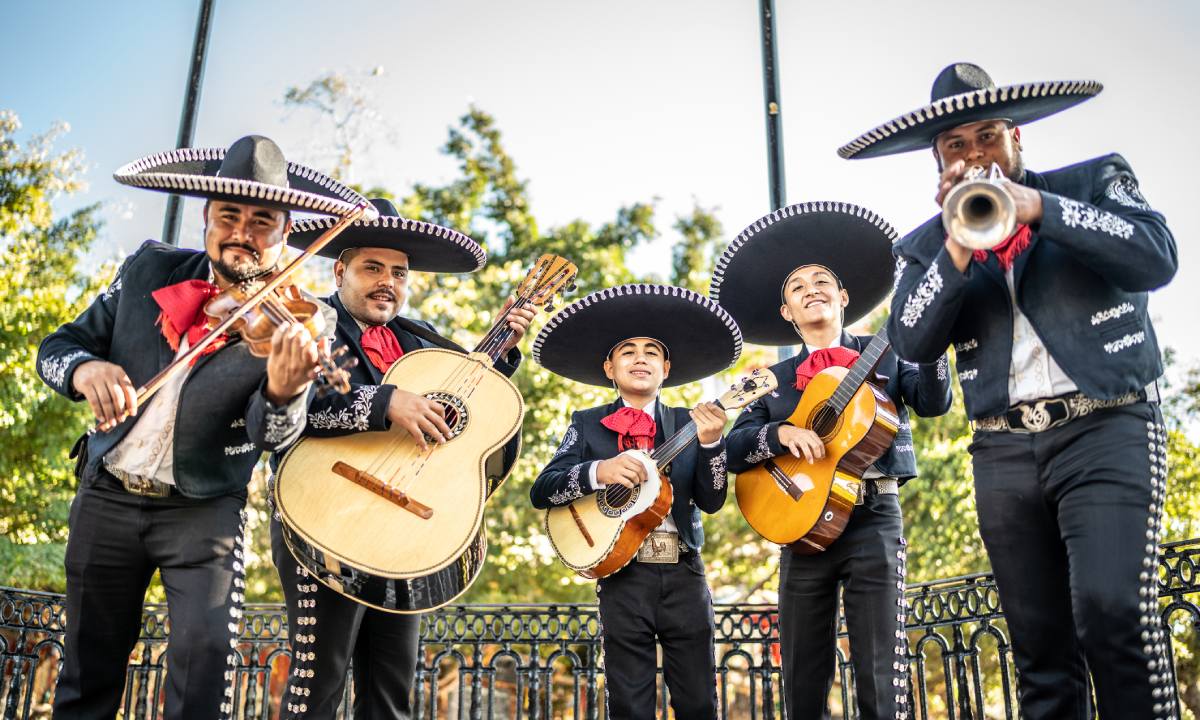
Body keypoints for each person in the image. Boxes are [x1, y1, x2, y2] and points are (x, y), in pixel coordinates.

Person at [840, 62, 1178, 719]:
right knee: (1039, 651)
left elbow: (1154, 258)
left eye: (988, 136)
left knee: (1113, 610)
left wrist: (1039, 210)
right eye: (956, 147)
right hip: (1002, 454)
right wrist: (955, 246)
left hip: (1106, 426)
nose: (976, 156)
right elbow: (911, 342)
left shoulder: (1094, 181)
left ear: (1016, 139)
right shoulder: (923, 247)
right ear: (938, 165)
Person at [37, 135, 364, 719]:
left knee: (206, 658)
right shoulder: (147, 269)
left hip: (205, 508)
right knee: (87, 667)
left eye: (261, 221)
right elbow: (57, 347)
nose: (242, 231)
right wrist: (87, 368)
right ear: (206, 219)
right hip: (106, 494)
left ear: (285, 233)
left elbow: (274, 435)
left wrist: (284, 390)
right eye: (229, 215)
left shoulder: (307, 320)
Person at [268, 197, 534, 719]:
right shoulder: (308, 323)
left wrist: (500, 353)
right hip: (321, 515)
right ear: (340, 269)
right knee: (317, 684)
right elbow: (296, 405)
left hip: (403, 534)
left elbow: (468, 411)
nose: (386, 280)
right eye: (372, 268)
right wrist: (387, 402)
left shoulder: (421, 339)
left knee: (392, 692)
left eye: (398, 272)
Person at [714, 202, 952, 720]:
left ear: (843, 298)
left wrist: (930, 344)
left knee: (879, 671)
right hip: (800, 526)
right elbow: (733, 450)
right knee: (801, 675)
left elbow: (933, 403)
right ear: (787, 313)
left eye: (822, 281)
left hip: (874, 516)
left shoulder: (889, 351)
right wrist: (781, 432)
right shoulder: (772, 379)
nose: (812, 289)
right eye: (798, 287)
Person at [529, 283, 742, 719]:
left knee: (700, 701)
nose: (639, 357)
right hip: (622, 576)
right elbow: (543, 488)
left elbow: (713, 498)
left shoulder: (690, 422)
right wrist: (597, 472)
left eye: (650, 351)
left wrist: (712, 444)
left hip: (683, 571)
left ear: (665, 368)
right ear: (610, 367)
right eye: (627, 351)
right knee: (629, 703)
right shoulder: (587, 425)